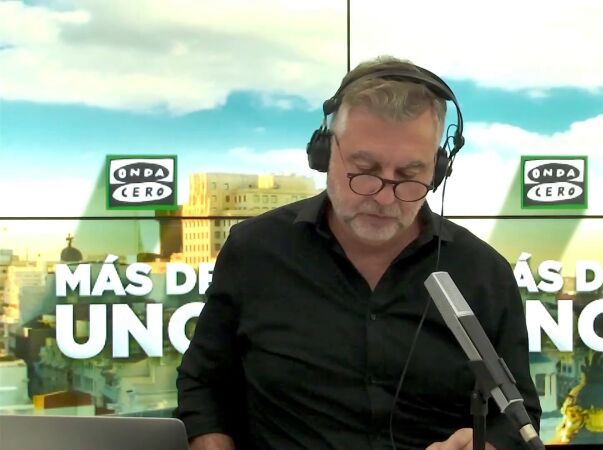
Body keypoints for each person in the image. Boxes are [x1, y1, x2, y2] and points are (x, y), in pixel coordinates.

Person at [175, 56, 542, 450]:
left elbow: (519, 419)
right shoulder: (255, 251)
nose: (383, 197)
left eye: (409, 175)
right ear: (324, 153)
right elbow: (204, 386)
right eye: (364, 169)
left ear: (437, 171)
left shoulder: (483, 273)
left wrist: (488, 445)